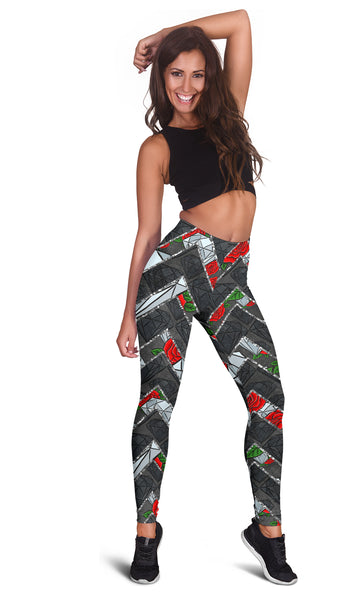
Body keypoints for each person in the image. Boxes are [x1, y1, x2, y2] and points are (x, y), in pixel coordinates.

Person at [116, 9, 298, 586]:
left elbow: (240, 22)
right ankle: (146, 533)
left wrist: (162, 35)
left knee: (268, 398)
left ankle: (267, 530)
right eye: (176, 73)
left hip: (230, 280)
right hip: (174, 274)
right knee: (158, 403)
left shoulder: (230, 120)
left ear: (210, 78)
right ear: (161, 78)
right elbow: (147, 234)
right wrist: (127, 314)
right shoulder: (157, 146)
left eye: (197, 74)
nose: (187, 86)